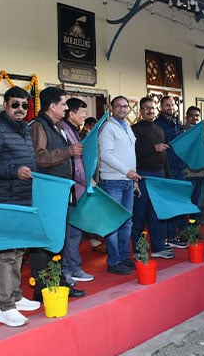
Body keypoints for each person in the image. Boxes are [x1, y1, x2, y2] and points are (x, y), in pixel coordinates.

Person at [0, 86, 42, 327]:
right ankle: (4, 307)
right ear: (5, 105)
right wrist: (15, 171)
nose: (20, 109)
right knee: (5, 253)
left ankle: (15, 296)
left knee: (18, 252)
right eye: (15, 104)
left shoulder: (23, 129)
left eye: (24, 106)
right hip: (5, 198)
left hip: (25, 197)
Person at [29, 88, 89, 296]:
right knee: (47, 241)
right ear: (52, 106)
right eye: (63, 104)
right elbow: (40, 157)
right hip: (49, 192)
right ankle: (43, 287)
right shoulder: (39, 126)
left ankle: (59, 281)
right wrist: (68, 152)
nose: (66, 108)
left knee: (58, 239)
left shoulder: (57, 126)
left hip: (61, 191)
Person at [98, 96, 140, 275]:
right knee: (113, 223)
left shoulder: (127, 127)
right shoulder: (108, 127)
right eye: (118, 106)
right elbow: (105, 155)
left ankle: (123, 257)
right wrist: (127, 171)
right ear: (111, 108)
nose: (122, 109)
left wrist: (134, 180)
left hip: (128, 181)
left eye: (125, 106)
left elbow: (130, 155)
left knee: (126, 222)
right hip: (112, 181)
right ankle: (113, 261)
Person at [58, 97, 96, 283]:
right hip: (70, 190)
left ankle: (74, 267)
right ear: (71, 114)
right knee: (69, 232)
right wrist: (86, 179)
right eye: (82, 113)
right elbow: (73, 163)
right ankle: (66, 270)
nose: (84, 116)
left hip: (79, 189)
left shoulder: (74, 130)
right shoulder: (64, 131)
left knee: (75, 232)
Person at [130, 97, 173, 259]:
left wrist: (167, 178)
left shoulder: (159, 129)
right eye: (146, 108)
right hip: (143, 174)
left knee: (157, 213)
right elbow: (133, 153)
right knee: (139, 214)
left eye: (152, 108)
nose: (150, 111)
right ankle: (139, 250)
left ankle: (158, 247)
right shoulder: (134, 129)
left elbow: (164, 156)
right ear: (140, 111)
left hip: (160, 175)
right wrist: (153, 148)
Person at [153, 96, 187, 250]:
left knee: (179, 201)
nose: (170, 108)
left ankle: (179, 232)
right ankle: (170, 235)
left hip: (180, 166)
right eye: (167, 105)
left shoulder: (177, 123)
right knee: (170, 203)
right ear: (161, 107)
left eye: (172, 105)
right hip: (167, 167)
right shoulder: (158, 124)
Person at [182, 106, 204, 223]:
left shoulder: (202, 131)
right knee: (187, 204)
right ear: (187, 117)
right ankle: (185, 231)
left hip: (202, 173)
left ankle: (194, 230)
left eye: (197, 115)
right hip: (189, 173)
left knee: (198, 204)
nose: (195, 118)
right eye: (192, 115)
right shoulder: (183, 131)